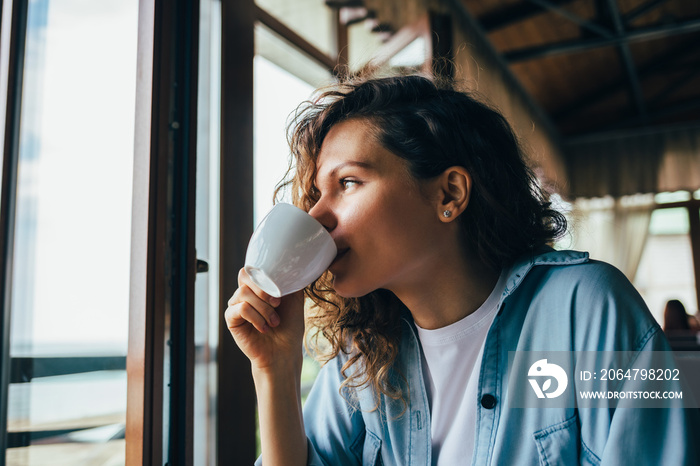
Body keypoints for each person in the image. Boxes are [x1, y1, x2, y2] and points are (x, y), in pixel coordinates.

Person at [225, 75, 698, 465]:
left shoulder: (588, 308)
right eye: (316, 196)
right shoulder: (363, 355)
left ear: (449, 194)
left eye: (347, 183)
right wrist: (274, 371)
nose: (317, 217)